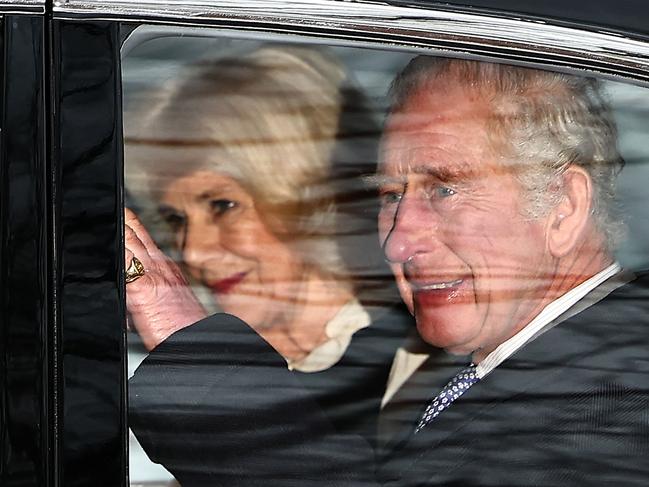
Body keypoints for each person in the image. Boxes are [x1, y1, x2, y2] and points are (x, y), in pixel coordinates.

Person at [130, 54, 649, 486]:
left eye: (445, 188)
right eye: (390, 195)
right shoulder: (506, 372)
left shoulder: (616, 408)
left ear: (563, 205)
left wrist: (186, 341)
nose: (397, 240)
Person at [125, 45, 410, 484]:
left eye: (224, 205)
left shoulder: (417, 374)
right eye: (176, 219)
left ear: (309, 197)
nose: (194, 251)